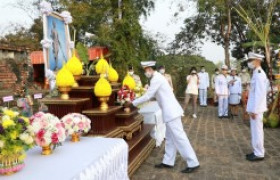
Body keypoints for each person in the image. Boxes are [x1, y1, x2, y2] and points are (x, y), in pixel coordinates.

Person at [131, 61, 200, 173]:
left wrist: (132, 103)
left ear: (149, 69)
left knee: (179, 137)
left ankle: (193, 162)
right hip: (169, 112)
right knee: (170, 138)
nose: (145, 72)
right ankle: (168, 161)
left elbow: (148, 95)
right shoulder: (156, 77)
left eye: (145, 70)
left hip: (171, 112)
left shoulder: (156, 78)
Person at [246, 52, 268, 162]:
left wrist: (254, 110)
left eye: (251, 60)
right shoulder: (256, 73)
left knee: (258, 131)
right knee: (254, 131)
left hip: (257, 109)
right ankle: (256, 151)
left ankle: (259, 153)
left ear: (257, 61)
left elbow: (259, 95)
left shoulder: (259, 74)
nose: (249, 62)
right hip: (254, 108)